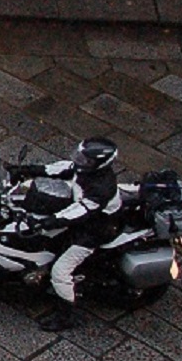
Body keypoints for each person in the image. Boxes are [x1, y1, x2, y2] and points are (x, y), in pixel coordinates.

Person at [41, 137, 124, 331]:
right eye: (80, 156)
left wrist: (51, 220)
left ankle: (66, 317)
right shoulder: (88, 170)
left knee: (60, 271)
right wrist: (26, 171)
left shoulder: (101, 188)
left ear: (101, 163)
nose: (80, 161)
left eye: (86, 160)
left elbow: (81, 210)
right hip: (88, 222)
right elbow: (63, 169)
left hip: (95, 230)